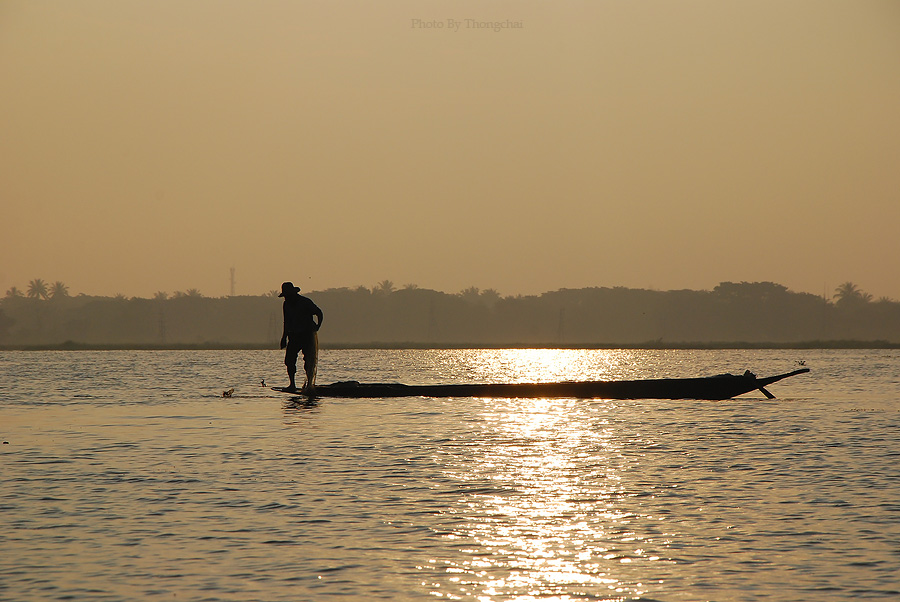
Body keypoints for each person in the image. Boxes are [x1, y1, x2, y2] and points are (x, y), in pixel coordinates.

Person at [278, 281, 323, 393]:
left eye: (288, 296)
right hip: (294, 336)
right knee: (289, 360)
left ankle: (309, 385)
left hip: (307, 335)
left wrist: (318, 326)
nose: (286, 298)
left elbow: (319, 313)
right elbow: (286, 322)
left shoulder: (305, 302)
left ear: (293, 294)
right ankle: (292, 385)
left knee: (309, 360)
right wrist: (284, 338)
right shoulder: (286, 304)